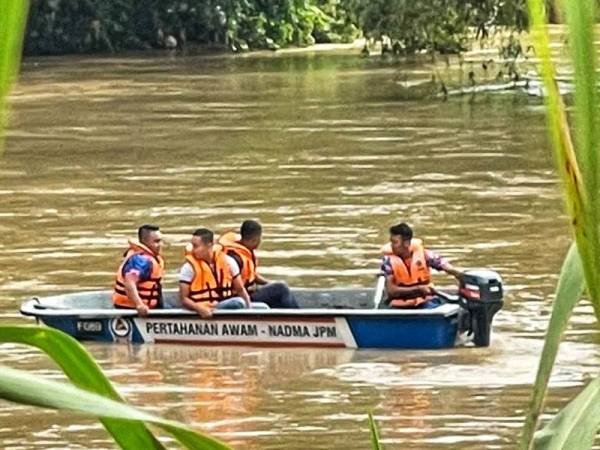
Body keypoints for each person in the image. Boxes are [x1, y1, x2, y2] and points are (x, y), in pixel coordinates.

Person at [179, 228, 269, 318]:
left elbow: (240, 290)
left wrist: (249, 310)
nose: (193, 250)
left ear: (209, 246)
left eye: (196, 246)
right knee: (238, 302)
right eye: (193, 246)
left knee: (264, 308)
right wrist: (199, 309)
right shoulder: (188, 268)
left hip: (224, 305)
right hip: (205, 308)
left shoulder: (228, 262)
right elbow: (184, 299)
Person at [218, 220, 299, 309]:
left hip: (247, 293)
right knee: (281, 288)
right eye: (260, 238)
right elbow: (237, 286)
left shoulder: (243, 250)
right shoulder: (236, 259)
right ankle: (299, 318)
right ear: (255, 239)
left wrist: (268, 283)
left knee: (277, 289)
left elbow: (251, 275)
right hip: (240, 298)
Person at [380, 222, 462, 309]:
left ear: (406, 243)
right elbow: (392, 291)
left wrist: (460, 276)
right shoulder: (388, 261)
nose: (392, 246)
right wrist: (419, 289)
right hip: (401, 306)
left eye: (395, 242)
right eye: (391, 242)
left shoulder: (425, 254)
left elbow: (446, 267)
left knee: (434, 306)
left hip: (425, 301)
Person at [112, 224, 164, 316]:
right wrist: (139, 304)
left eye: (160, 241)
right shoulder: (141, 260)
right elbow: (129, 282)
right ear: (145, 242)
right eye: (156, 241)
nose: (160, 245)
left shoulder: (150, 258)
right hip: (130, 310)